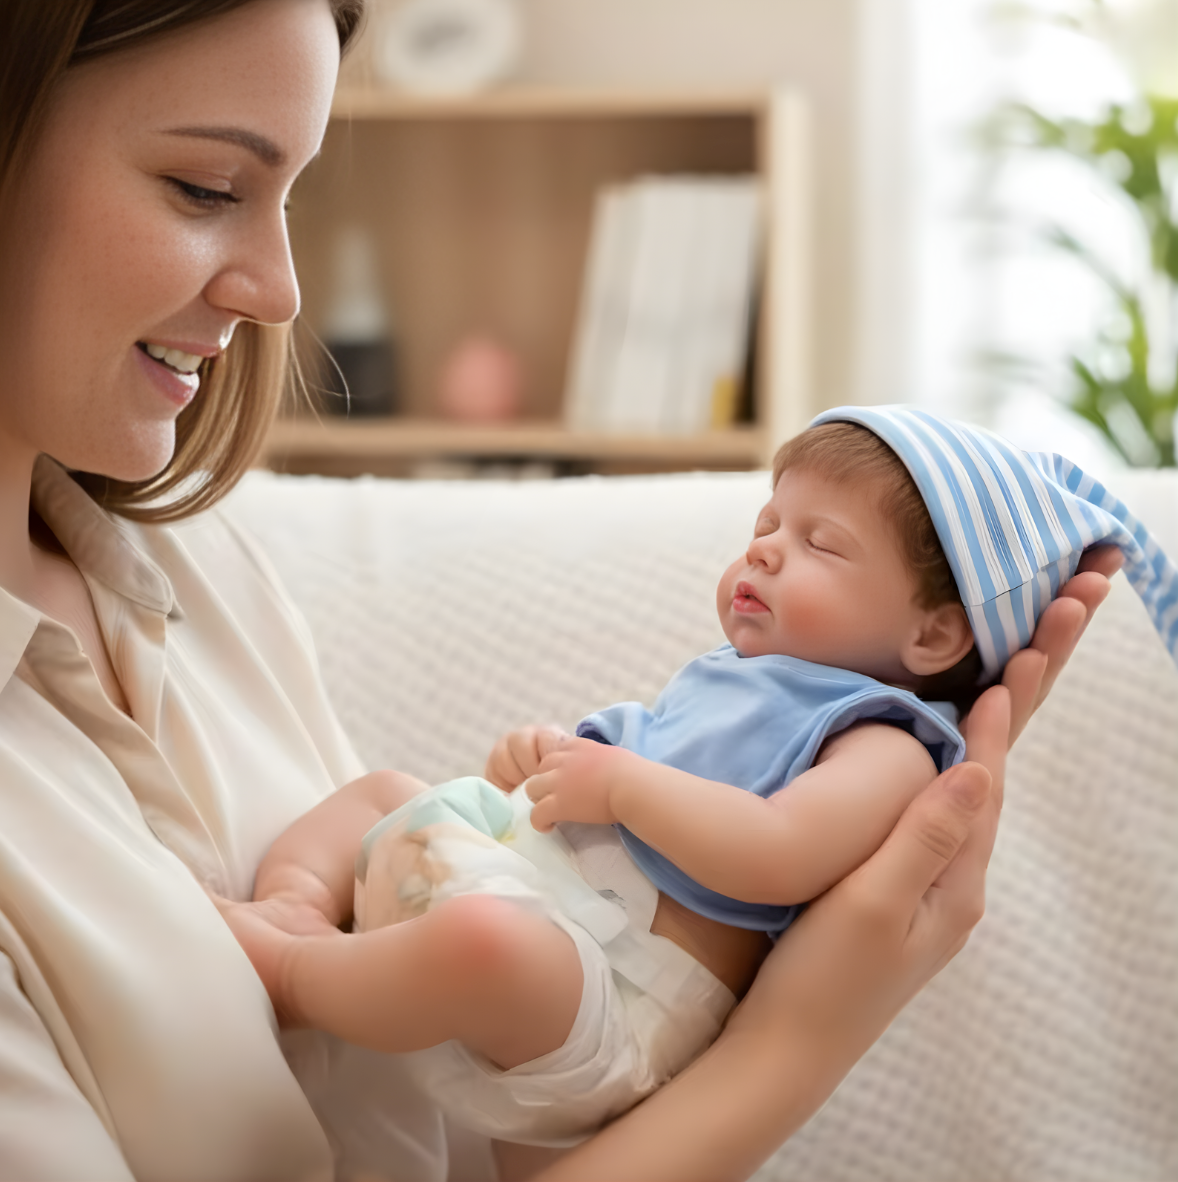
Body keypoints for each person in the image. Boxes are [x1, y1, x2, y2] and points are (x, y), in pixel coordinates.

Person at [0, 0, 1120, 1178]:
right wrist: (791, 1048)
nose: (282, 290)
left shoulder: (203, 577)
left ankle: (290, 942)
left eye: (292, 199)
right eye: (207, 185)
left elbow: (492, 1138)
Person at [217, 409, 1175, 1149]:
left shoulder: (885, 742)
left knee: (485, 945)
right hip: (532, 897)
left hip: (612, 1002)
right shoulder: (735, 678)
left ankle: (296, 973)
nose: (764, 548)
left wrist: (624, 789)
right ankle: (299, 899)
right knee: (385, 790)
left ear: (932, 635)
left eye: (820, 542)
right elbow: (606, 778)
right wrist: (539, 763)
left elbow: (777, 852)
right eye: (767, 523)